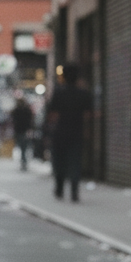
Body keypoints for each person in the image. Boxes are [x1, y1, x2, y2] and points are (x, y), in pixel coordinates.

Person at [46, 63, 92, 200]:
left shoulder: (59, 93)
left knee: (59, 161)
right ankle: (74, 192)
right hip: (76, 132)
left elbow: (52, 114)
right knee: (75, 162)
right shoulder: (83, 93)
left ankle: (59, 189)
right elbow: (89, 114)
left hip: (60, 132)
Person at [10, 94, 34, 170]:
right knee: (24, 147)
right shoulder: (27, 110)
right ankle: (24, 161)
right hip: (24, 130)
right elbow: (31, 121)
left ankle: (23, 161)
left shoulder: (16, 110)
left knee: (22, 147)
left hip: (19, 130)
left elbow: (13, 119)